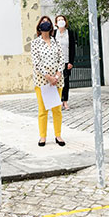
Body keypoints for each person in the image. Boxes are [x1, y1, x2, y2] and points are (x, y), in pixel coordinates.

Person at [31, 16, 66, 147]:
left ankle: (58, 135)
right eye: (43, 22)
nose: (45, 24)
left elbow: (61, 59)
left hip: (57, 81)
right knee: (43, 110)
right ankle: (42, 136)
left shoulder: (56, 42)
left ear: (51, 26)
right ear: (39, 27)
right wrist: (48, 77)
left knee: (57, 109)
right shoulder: (35, 43)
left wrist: (56, 76)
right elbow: (36, 62)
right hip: (42, 81)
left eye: (48, 22)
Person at [54, 15, 75, 110]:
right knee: (56, 81)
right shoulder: (54, 33)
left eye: (62, 19)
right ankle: (57, 102)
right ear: (56, 23)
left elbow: (72, 48)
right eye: (59, 20)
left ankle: (65, 102)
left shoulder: (69, 33)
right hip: (55, 62)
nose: (61, 21)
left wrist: (71, 62)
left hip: (66, 61)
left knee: (65, 82)